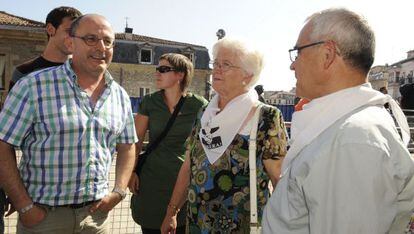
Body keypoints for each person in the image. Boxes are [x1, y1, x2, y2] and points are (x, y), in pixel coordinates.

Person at [262, 8, 414, 234]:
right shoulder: (346, 128)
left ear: (327, 54)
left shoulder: (352, 140)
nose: (292, 65)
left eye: (298, 52)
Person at [0, 14, 137, 233]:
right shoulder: (34, 86)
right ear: (71, 43)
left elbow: (128, 145)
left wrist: (118, 192)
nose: (101, 47)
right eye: (91, 39)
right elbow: (3, 145)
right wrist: (24, 206)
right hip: (44, 219)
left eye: (108, 41)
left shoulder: (119, 95)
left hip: (96, 219)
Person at [161, 38, 288, 233]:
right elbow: (189, 165)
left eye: (226, 64)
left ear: (248, 75)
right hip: (197, 222)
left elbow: (278, 177)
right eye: (216, 63)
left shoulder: (266, 116)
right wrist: (172, 212)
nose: (216, 70)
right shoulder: (205, 113)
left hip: (240, 226)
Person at [128, 53, 208, 234]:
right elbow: (136, 141)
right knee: (151, 227)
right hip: (150, 181)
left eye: (164, 69)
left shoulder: (198, 105)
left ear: (180, 75)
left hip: (182, 179)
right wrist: (131, 171)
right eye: (157, 69)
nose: (157, 73)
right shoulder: (150, 102)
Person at [9, 6, 82, 90]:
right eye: (69, 31)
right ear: (50, 29)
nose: (75, 37)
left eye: (78, 32)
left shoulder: (85, 71)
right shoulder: (24, 72)